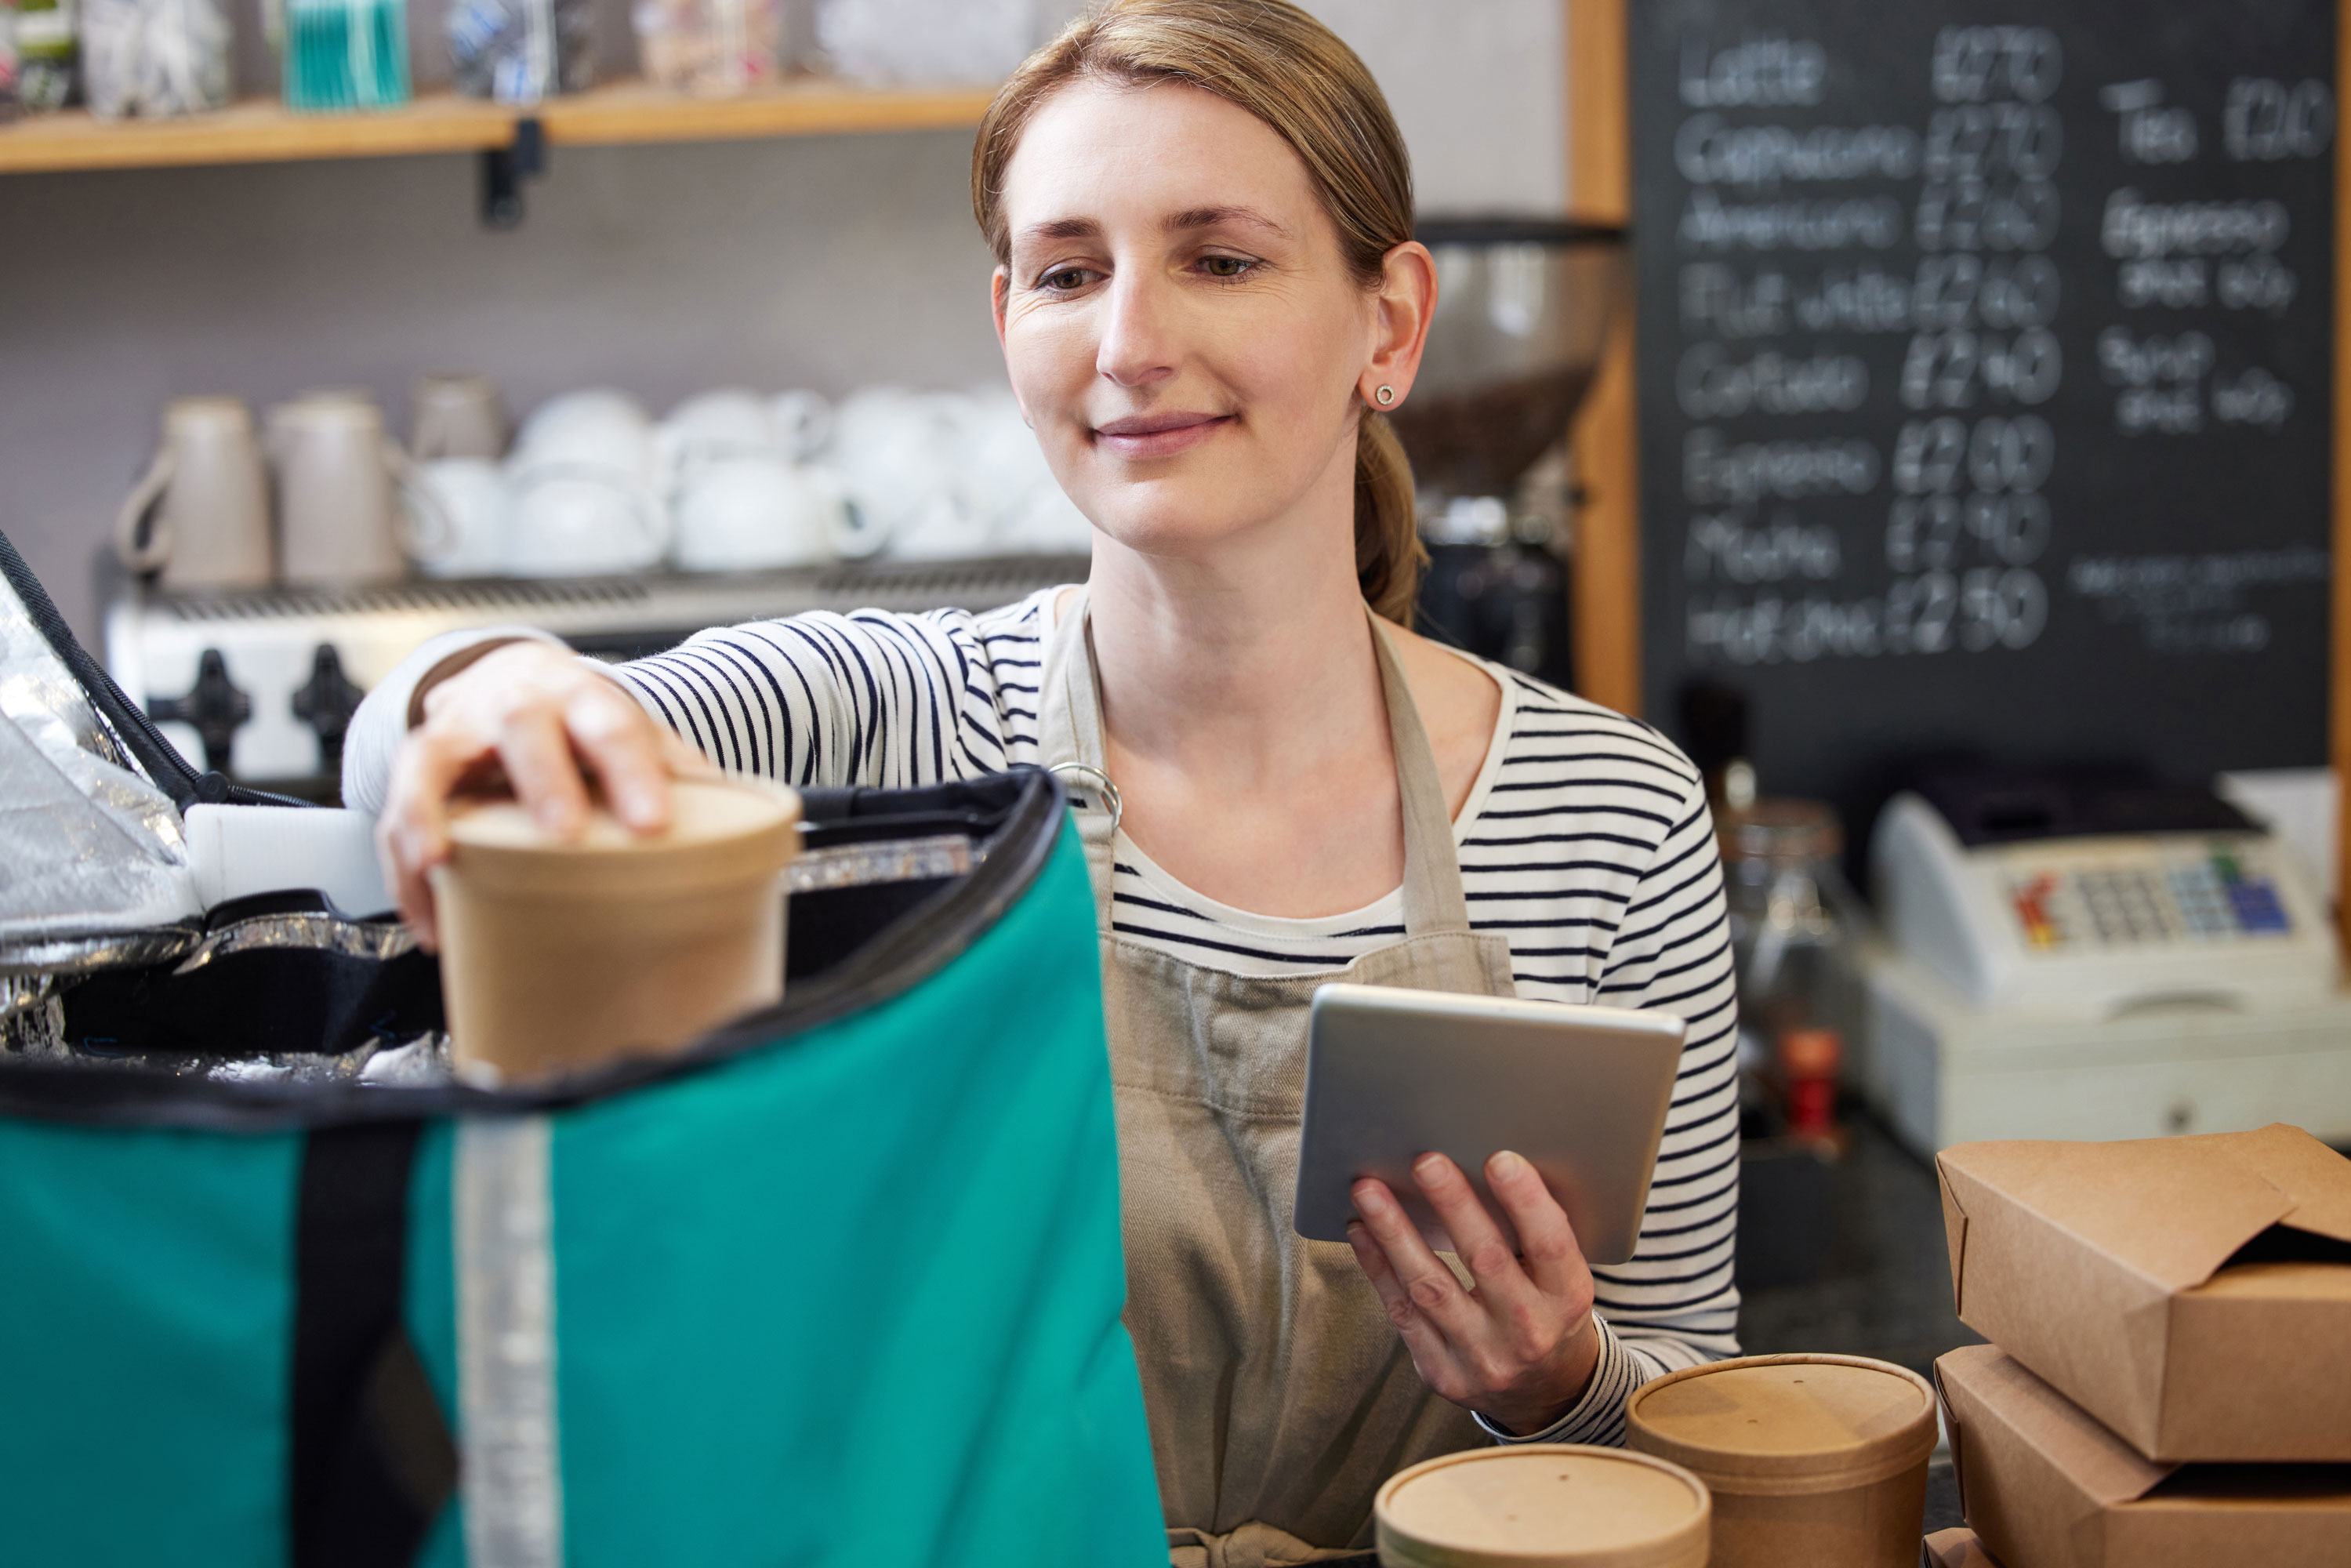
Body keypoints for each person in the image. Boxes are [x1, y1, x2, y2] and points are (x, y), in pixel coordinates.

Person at [346, 2, 1739, 1560]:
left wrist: (1558, 1382)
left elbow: (1706, 1424)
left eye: (1221, 257)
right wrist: (489, 687)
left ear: (1389, 326)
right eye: (1071, 272)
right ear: (1009, 316)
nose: (1130, 342)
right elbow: (425, 735)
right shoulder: (891, 723)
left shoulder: (1611, 818)